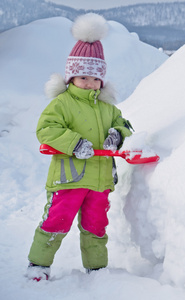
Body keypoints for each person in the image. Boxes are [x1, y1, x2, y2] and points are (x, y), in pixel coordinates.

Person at [26, 13, 133, 281]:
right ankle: (39, 265)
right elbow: (46, 130)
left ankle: (96, 269)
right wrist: (75, 144)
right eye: (82, 76)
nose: (89, 82)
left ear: (102, 80)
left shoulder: (109, 108)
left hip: (99, 181)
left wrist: (116, 136)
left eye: (95, 78)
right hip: (69, 179)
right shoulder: (61, 104)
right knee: (57, 221)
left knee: (96, 226)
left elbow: (124, 125)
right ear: (71, 77)